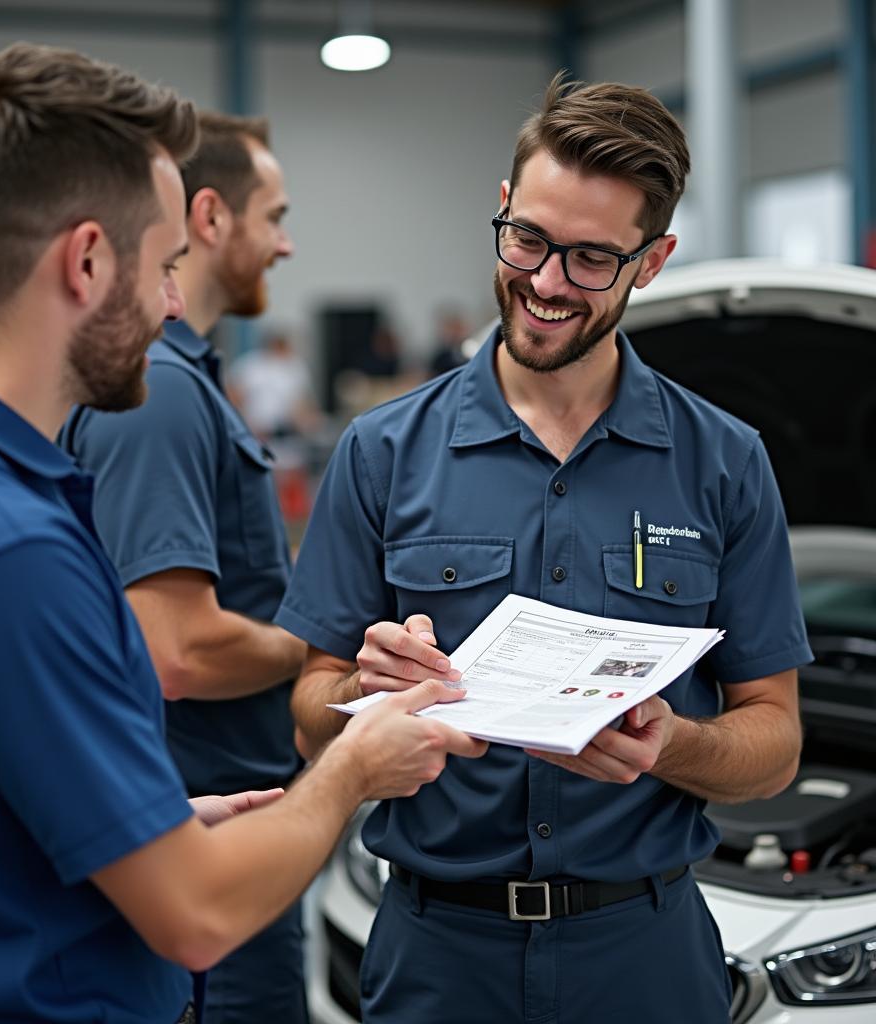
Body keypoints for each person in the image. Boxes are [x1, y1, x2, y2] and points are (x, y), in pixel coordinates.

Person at [0, 44, 487, 1024]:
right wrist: (350, 770)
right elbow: (195, 914)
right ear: (88, 260)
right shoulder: (10, 549)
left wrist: (156, 824)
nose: (170, 304)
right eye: (161, 267)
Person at [277, 73, 811, 1024]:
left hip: (644, 958)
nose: (547, 282)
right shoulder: (382, 452)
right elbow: (311, 713)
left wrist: (673, 746)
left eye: (593, 258)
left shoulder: (725, 463)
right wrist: (364, 697)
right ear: (502, 209)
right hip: (440, 955)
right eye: (528, 239)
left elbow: (772, 741)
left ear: (653, 260)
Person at [59, 112, 310, 1024]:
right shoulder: (160, 392)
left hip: (225, 827)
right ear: (209, 217)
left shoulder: (185, 382)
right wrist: (316, 643)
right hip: (205, 839)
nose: (284, 245)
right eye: (272, 216)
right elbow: (174, 648)